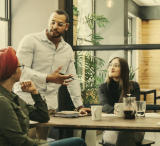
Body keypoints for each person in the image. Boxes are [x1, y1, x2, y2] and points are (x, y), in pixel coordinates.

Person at [13, 10, 90, 140]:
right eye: (52, 22)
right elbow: (21, 70)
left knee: (42, 142)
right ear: (48, 22)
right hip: (26, 102)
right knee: (27, 141)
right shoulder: (30, 40)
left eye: (60, 24)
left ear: (66, 26)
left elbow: (73, 78)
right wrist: (48, 78)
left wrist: (79, 106)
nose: (54, 26)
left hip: (48, 107)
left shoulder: (67, 50)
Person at [0, 47, 86, 146]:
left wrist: (34, 93)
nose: (22, 70)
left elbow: (43, 117)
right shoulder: (2, 101)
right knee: (78, 142)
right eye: (20, 66)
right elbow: (20, 142)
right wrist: (48, 143)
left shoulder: (13, 98)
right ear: (11, 71)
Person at [98, 57, 144, 146]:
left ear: (123, 69)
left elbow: (133, 105)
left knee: (126, 133)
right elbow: (104, 105)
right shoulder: (103, 87)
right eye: (110, 65)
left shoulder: (133, 85)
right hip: (112, 127)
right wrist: (116, 111)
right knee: (122, 134)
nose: (111, 68)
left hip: (133, 127)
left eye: (116, 65)